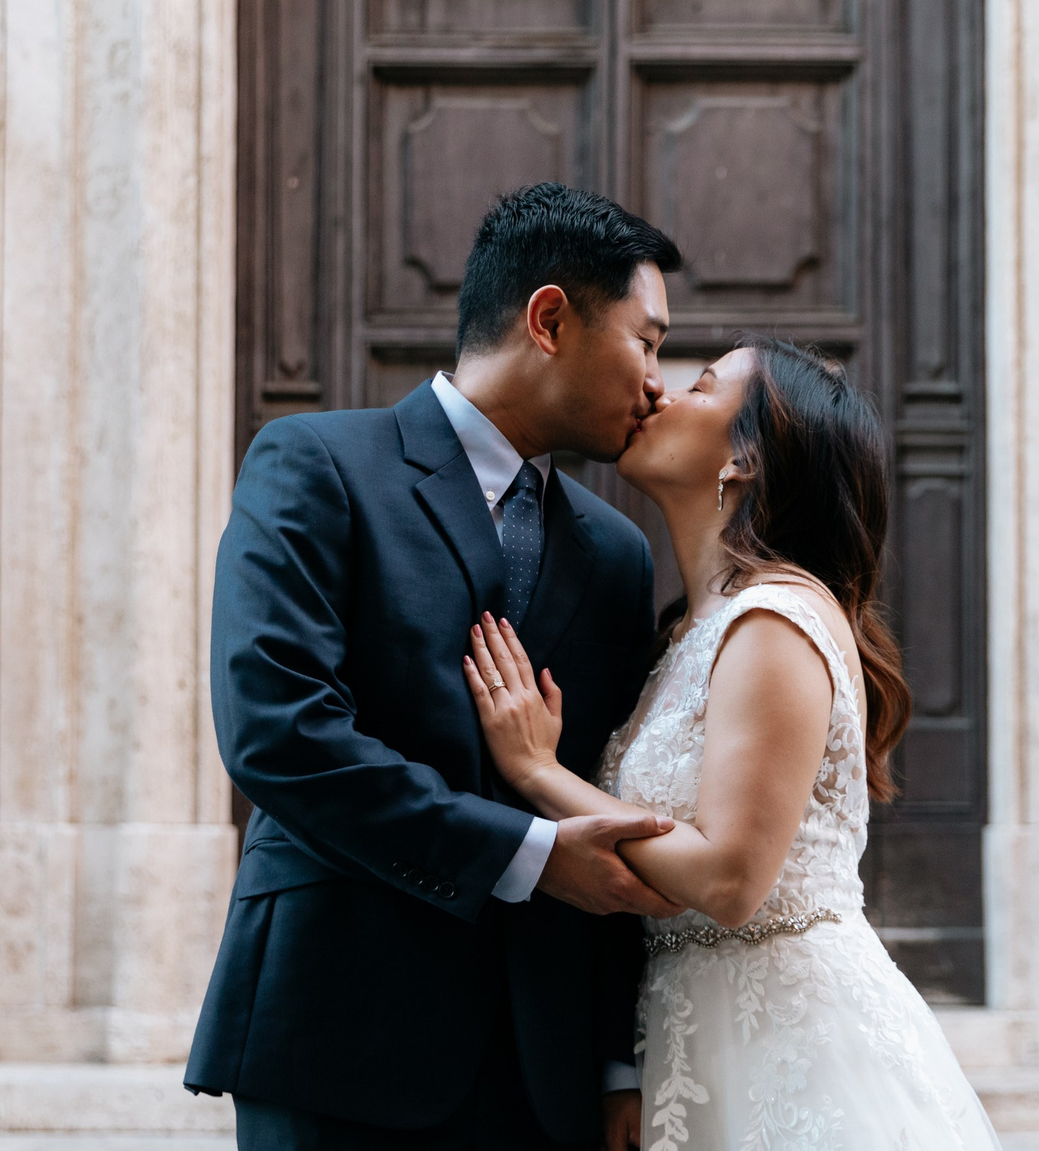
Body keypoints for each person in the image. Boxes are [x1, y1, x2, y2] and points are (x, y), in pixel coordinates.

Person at [187, 182, 686, 1151]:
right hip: (339, 1033)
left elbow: (618, 795)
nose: (658, 382)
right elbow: (278, 734)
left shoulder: (619, 554)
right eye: (647, 340)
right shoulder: (315, 464)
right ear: (549, 319)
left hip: (546, 1067)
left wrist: (624, 1061)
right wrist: (528, 856)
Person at [463, 338, 1000, 1151]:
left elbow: (728, 877)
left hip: (798, 1055)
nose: (658, 391)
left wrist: (538, 771)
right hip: (695, 1048)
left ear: (745, 455)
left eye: (701, 384)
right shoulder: (690, 633)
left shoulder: (776, 619)